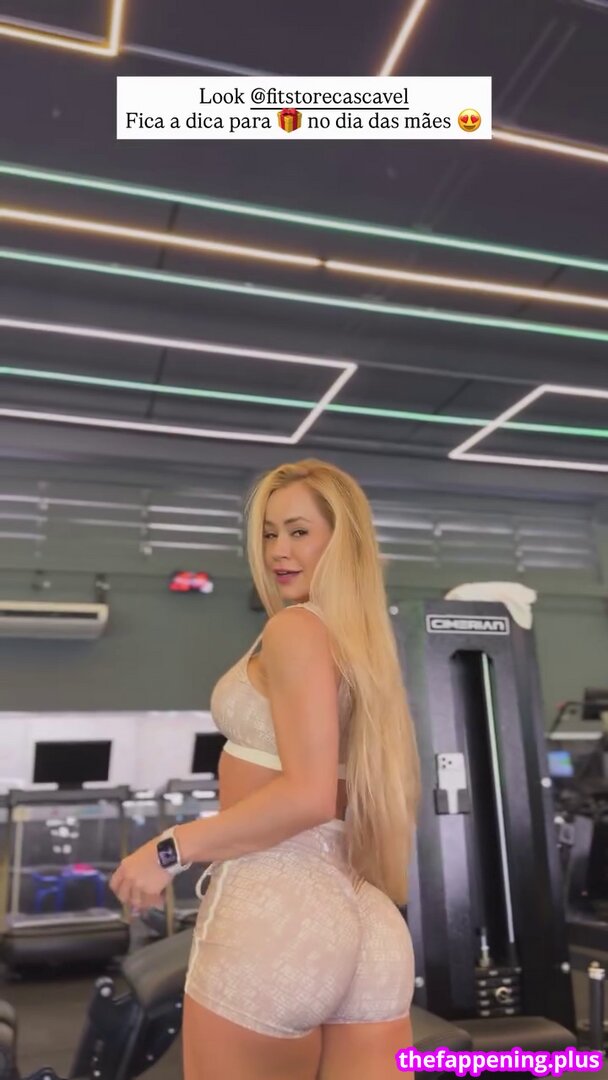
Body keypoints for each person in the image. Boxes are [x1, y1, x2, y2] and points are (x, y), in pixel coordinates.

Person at [110, 458, 421, 1080]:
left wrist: (168, 850)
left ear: (342, 540)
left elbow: (307, 795)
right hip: (367, 922)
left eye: (299, 531)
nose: (279, 550)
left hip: (276, 910)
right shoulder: (360, 641)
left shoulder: (296, 629)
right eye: (270, 532)